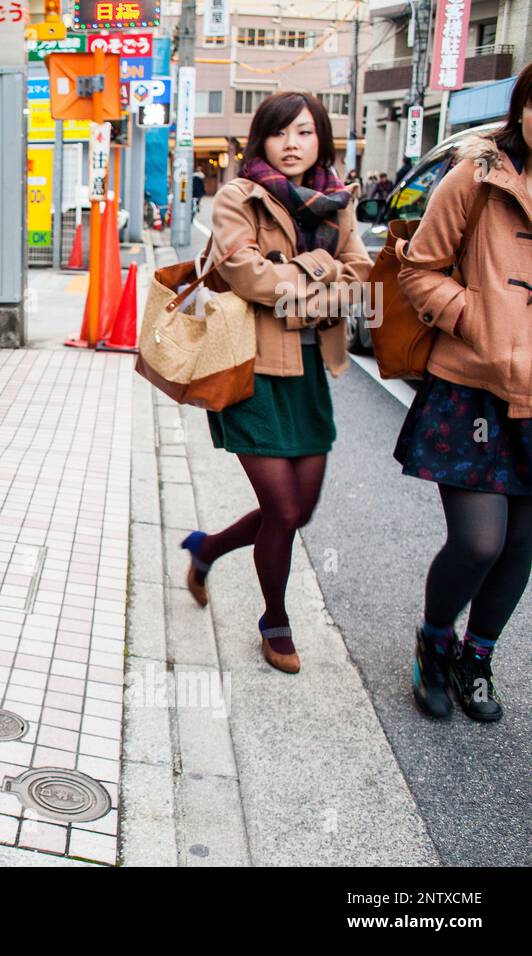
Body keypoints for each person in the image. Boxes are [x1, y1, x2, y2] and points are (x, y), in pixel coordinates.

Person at [178, 91, 372, 673]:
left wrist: (302, 282)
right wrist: (321, 272)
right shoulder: (239, 196)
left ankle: (207, 549)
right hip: (249, 370)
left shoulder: (338, 202)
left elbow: (362, 279)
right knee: (282, 510)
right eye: (280, 132)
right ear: (261, 139)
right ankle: (274, 620)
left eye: (305, 132)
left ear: (322, 140)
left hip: (310, 374)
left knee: (299, 509)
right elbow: (247, 275)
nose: (292, 144)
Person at [394, 61, 532, 722]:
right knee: (480, 541)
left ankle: (478, 659)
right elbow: (417, 269)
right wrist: (475, 319)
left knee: (521, 545)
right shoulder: (476, 178)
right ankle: (434, 641)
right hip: (472, 390)